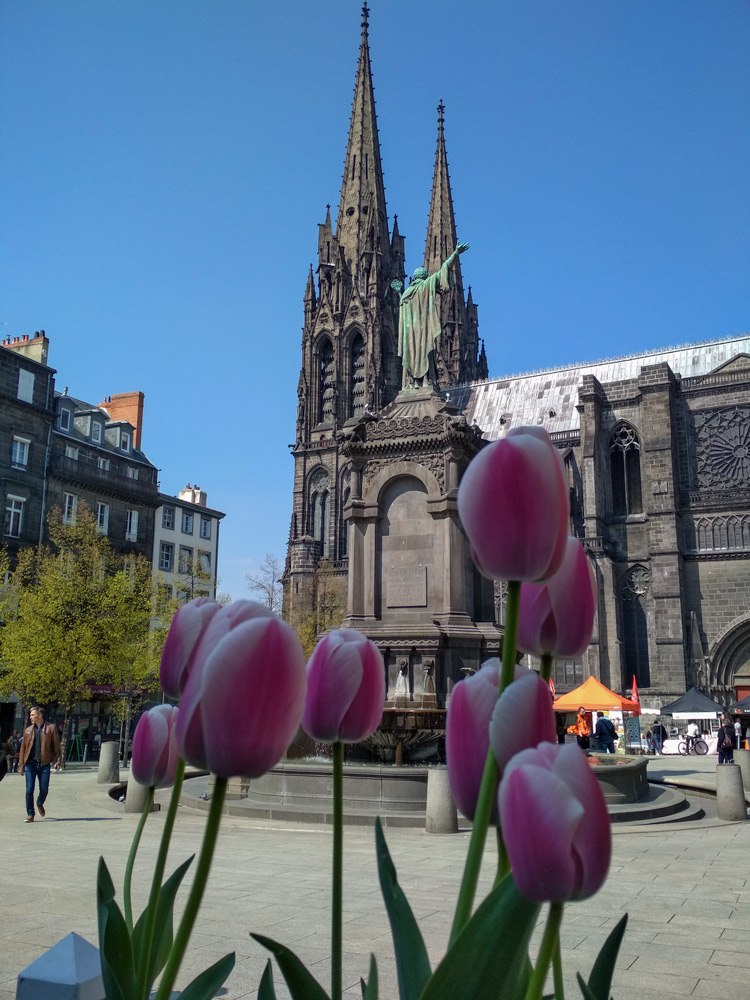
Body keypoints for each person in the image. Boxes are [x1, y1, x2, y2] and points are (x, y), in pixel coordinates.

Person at [392, 242, 469, 387]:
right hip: (423, 332)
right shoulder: (426, 285)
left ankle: (413, 382)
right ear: (425, 277)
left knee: (413, 356)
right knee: (427, 353)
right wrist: (455, 254)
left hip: (411, 336)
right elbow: (443, 270)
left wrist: (399, 292)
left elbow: (403, 310)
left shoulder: (407, 294)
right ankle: (425, 380)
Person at [18, 707, 62, 822]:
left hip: (44, 764)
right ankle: (30, 814)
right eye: (30, 715)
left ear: (40, 716)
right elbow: (23, 749)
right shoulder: (28, 730)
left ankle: (39, 803)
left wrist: (58, 760)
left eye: (32, 715)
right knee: (29, 789)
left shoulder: (51, 728)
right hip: (30, 764)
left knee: (44, 789)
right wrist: (21, 765)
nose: (30, 717)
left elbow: (56, 746)